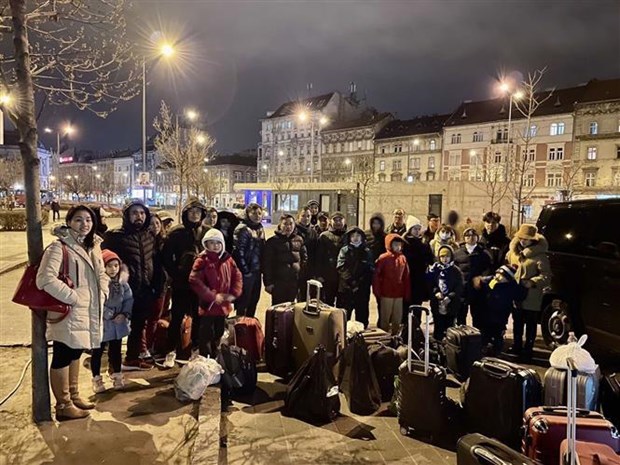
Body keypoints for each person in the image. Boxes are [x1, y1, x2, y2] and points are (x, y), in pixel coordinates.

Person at [36, 205, 109, 421]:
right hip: (69, 312)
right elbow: (45, 279)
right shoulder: (59, 247)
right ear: (69, 222)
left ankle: (74, 395)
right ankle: (63, 404)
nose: (84, 224)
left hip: (88, 310)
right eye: (78, 219)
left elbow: (102, 273)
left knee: (76, 350)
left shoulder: (93, 245)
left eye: (88, 219)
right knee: (63, 354)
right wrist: (74, 297)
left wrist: (102, 293)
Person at [103, 200, 161, 371]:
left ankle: (132, 358)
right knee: (116, 328)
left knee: (138, 325)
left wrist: (155, 286)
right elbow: (105, 260)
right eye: (135, 213)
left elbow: (155, 261)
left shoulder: (149, 236)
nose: (139, 216)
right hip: (121, 291)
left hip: (144, 289)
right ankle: (114, 365)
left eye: (142, 213)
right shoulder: (115, 236)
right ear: (127, 215)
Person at [160, 199, 208, 367]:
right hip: (181, 284)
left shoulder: (208, 232)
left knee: (198, 318)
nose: (195, 215)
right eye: (191, 211)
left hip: (201, 285)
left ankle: (195, 349)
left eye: (198, 212)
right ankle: (170, 350)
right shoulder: (176, 232)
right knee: (177, 316)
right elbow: (166, 257)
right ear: (186, 213)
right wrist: (176, 275)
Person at [189, 229, 243, 357]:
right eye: (211, 243)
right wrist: (212, 296)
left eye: (218, 243)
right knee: (206, 333)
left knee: (219, 331)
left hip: (223, 305)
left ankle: (215, 355)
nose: (215, 246)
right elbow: (194, 279)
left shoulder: (228, 259)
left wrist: (234, 293)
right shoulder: (202, 260)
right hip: (208, 305)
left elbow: (237, 276)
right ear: (205, 244)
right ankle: (206, 357)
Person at [506, 224, 552, 361]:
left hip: (532, 296)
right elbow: (507, 266)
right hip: (516, 293)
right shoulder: (513, 253)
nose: (523, 241)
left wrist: (532, 282)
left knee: (530, 324)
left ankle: (528, 348)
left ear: (533, 240)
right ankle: (517, 345)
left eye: (526, 239)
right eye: (521, 238)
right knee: (517, 322)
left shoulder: (540, 256)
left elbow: (546, 276)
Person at [91, 249, 133, 393]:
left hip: (117, 324)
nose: (113, 269)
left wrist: (124, 313)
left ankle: (117, 375)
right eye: (109, 266)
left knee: (116, 351)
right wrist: (109, 315)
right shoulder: (99, 284)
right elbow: (97, 303)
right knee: (97, 351)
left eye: (116, 265)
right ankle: (96, 378)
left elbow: (128, 299)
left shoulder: (122, 283)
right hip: (103, 323)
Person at [479, 265, 526, 356]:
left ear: (508, 279)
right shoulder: (491, 282)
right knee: (485, 333)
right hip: (487, 314)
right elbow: (482, 286)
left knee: (498, 334)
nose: (498, 277)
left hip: (501, 316)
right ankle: (484, 348)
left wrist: (523, 286)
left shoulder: (510, 287)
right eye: (497, 274)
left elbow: (520, 295)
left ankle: (497, 350)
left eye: (501, 276)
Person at [263, 214, 307, 305]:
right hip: (278, 282)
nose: (288, 227)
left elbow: (304, 258)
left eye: (291, 224)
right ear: (280, 225)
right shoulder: (272, 242)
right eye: (285, 224)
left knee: (291, 308)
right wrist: (268, 283)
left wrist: (301, 274)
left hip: (294, 281)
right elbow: (267, 263)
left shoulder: (299, 239)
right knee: (278, 309)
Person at [454, 228, 492, 328]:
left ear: (477, 238)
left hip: (478, 289)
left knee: (478, 316)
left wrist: (482, 278)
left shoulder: (484, 254)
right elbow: (454, 269)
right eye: (468, 236)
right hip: (463, 289)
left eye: (473, 236)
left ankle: (478, 338)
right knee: (461, 315)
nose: (471, 238)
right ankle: (462, 338)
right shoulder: (457, 253)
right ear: (464, 238)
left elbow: (489, 269)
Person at [143, 212, 168, 360]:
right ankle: (144, 347)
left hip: (161, 285)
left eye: (157, 223)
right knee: (145, 319)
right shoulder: (144, 242)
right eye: (151, 224)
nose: (155, 226)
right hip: (146, 286)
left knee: (155, 318)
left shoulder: (165, 241)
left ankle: (150, 346)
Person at [232, 203, 265, 318]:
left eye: (259, 213)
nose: (257, 216)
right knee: (243, 303)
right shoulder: (242, 229)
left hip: (256, 271)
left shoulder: (260, 228)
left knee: (254, 300)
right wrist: (246, 271)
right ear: (248, 213)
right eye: (254, 213)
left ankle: (250, 327)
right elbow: (238, 252)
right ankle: (240, 328)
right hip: (246, 272)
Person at [337, 227, 374, 328]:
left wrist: (361, 283)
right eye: (353, 236)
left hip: (362, 289)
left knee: (362, 317)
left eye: (358, 236)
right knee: (344, 317)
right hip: (346, 288)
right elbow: (341, 267)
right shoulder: (344, 250)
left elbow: (370, 269)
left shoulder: (367, 251)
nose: (355, 238)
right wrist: (351, 282)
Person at [373, 234, 410, 335]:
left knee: (397, 319)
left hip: (399, 294)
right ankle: (384, 338)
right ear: (389, 245)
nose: (398, 247)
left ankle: (395, 338)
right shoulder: (383, 258)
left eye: (400, 245)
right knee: (385, 319)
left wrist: (407, 292)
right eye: (395, 245)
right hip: (386, 293)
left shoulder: (403, 258)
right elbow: (376, 277)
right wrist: (377, 292)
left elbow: (406, 277)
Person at [427, 245, 464, 341]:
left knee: (449, 327)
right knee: (438, 326)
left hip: (451, 303)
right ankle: (438, 344)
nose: (445, 259)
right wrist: (436, 293)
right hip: (437, 303)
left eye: (447, 256)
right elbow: (430, 284)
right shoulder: (435, 269)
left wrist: (450, 297)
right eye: (442, 257)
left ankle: (449, 346)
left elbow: (459, 287)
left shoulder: (456, 271)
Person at [402, 215, 434, 306]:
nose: (417, 231)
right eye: (415, 229)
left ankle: (416, 320)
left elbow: (430, 259)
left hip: (419, 279)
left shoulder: (423, 243)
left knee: (417, 305)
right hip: (408, 277)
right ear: (410, 230)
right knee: (406, 304)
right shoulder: (404, 244)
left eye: (418, 229)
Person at [316, 211, 347, 305]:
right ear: (330, 221)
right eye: (335, 220)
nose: (338, 222)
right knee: (328, 303)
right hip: (328, 276)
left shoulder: (349, 235)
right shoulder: (324, 236)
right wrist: (319, 275)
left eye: (340, 220)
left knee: (342, 304)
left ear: (344, 221)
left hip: (343, 277)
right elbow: (319, 257)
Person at [295, 206, 318, 300]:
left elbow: (316, 250)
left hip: (310, 269)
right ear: (298, 217)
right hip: (298, 269)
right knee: (300, 297)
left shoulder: (313, 232)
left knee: (312, 297)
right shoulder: (294, 230)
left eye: (308, 216)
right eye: (303, 216)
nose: (306, 218)